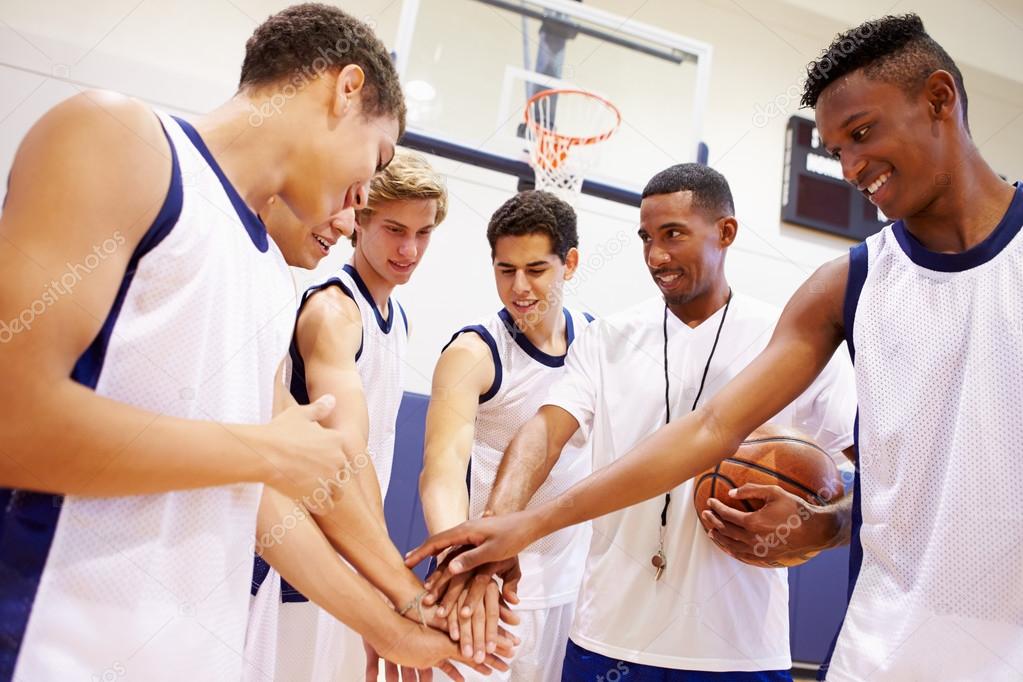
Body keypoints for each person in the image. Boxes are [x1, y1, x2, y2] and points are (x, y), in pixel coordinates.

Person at [406, 13, 1023, 682]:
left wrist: (827, 516)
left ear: (938, 99)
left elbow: (847, 470)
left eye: (862, 134)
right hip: (876, 652)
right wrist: (521, 524)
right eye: (835, 147)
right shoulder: (843, 287)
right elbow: (709, 427)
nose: (849, 167)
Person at [421, 166, 855, 680]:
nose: (656, 257)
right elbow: (543, 431)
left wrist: (827, 523)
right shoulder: (607, 338)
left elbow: (871, 476)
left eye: (673, 235)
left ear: (726, 233)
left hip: (739, 651)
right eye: (646, 239)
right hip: (607, 640)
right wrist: (497, 525)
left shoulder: (789, 343)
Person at [252, 152, 514, 682]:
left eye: (422, 233)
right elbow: (346, 457)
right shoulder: (334, 314)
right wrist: (392, 586)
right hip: (300, 564)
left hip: (349, 556)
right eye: (394, 229)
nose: (408, 249)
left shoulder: (394, 319)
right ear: (361, 217)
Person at [420, 191, 594, 680]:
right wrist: (461, 565)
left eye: (536, 270)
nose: (519, 287)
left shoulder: (596, 344)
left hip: (573, 590)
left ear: (570, 263)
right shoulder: (473, 352)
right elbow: (442, 470)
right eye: (505, 270)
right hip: (488, 589)